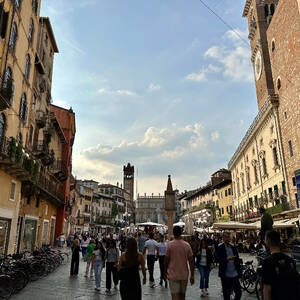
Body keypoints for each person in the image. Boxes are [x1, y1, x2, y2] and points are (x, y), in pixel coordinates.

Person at [262, 230, 300, 300]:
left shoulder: (267, 262)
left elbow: (267, 290)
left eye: (265, 239)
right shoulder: (290, 260)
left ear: (268, 241)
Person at [164, 226, 195, 300]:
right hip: (184, 275)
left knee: (175, 297)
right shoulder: (187, 245)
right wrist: (192, 275)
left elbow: (166, 260)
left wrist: (165, 271)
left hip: (173, 275)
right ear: (181, 233)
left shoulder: (170, 245)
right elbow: (191, 261)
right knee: (182, 297)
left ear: (173, 233)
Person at [217, 232, 242, 300]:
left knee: (239, 292)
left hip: (234, 274)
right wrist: (226, 259)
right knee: (226, 294)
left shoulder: (233, 247)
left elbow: (237, 260)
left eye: (228, 237)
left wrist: (240, 273)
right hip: (225, 275)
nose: (227, 239)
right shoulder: (220, 247)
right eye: (226, 237)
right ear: (223, 238)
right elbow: (217, 259)